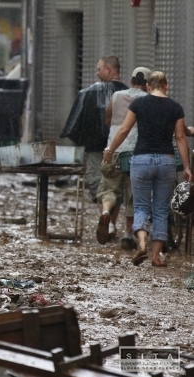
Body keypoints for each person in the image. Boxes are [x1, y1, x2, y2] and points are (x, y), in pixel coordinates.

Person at [103, 71, 192, 267]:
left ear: (148, 87)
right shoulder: (175, 107)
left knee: (141, 206)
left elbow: (124, 130)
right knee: (160, 209)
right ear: (166, 86)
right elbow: (180, 138)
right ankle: (156, 256)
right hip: (166, 161)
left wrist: (110, 150)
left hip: (141, 160)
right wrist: (186, 167)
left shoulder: (138, 104)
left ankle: (142, 242)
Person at [61, 55, 128, 240]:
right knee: (117, 186)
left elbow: (75, 125)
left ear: (108, 70)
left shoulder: (88, 93)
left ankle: (107, 220)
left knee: (97, 183)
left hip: (94, 149)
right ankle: (111, 224)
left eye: (99, 69)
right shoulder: (129, 94)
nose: (96, 73)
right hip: (121, 148)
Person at [96, 67, 151, 248]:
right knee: (132, 196)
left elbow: (108, 119)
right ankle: (128, 235)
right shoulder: (148, 100)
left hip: (113, 149)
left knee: (108, 188)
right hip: (136, 152)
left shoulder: (117, 96)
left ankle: (106, 214)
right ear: (148, 83)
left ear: (131, 79)